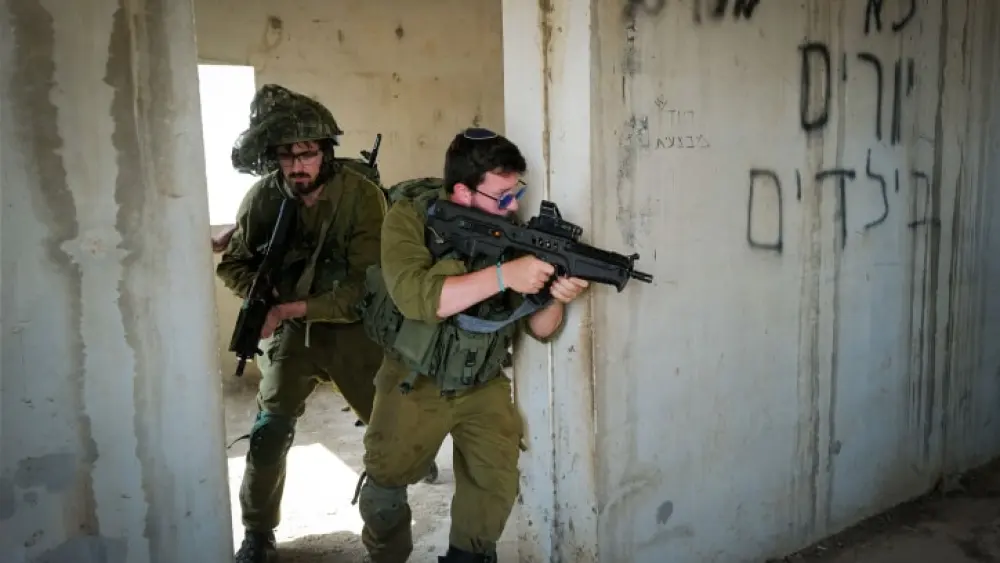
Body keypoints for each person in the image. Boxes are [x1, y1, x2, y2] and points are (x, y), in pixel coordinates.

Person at [354, 127, 590, 563]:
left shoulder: (511, 233)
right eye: (502, 196)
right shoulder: (408, 218)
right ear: (463, 192)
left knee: (493, 492)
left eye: (515, 192)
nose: (513, 206)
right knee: (384, 493)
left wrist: (556, 297)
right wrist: (504, 276)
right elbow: (417, 298)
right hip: (414, 379)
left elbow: (539, 328)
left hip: (483, 383)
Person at [215, 83, 397, 563]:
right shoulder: (263, 198)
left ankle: (390, 530)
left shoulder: (362, 198)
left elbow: (363, 289)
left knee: (391, 433)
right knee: (269, 430)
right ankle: (257, 532)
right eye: (286, 155)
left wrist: (287, 309)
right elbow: (231, 264)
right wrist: (262, 292)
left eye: (308, 152)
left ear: (326, 152)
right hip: (292, 338)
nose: (297, 165)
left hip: (351, 332)